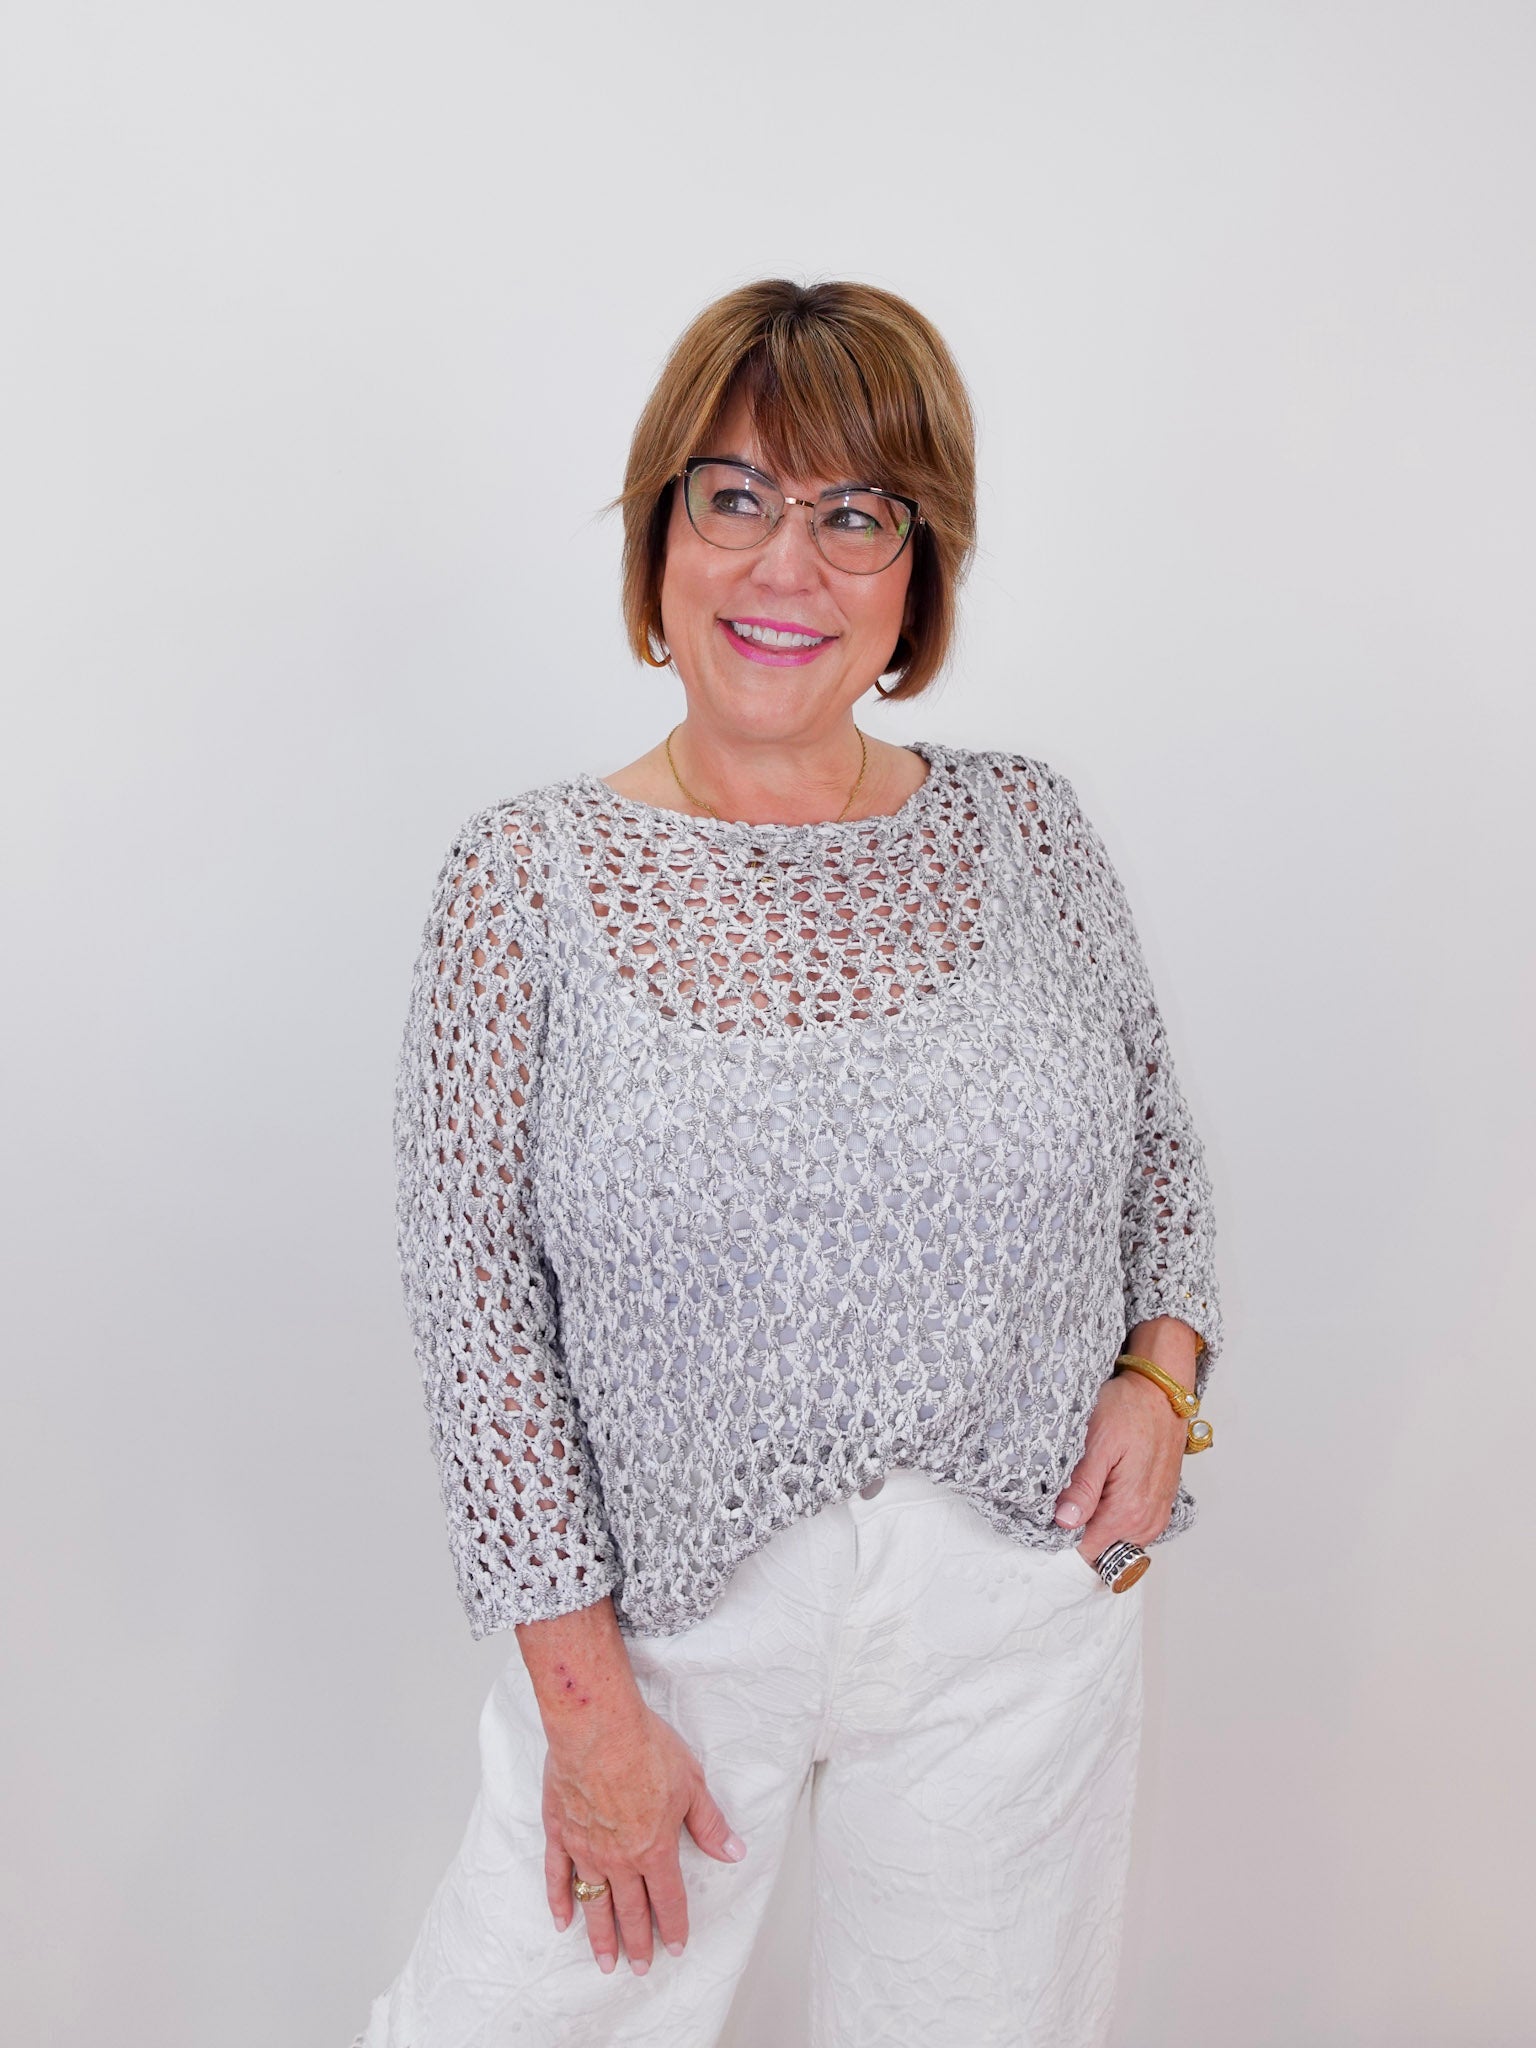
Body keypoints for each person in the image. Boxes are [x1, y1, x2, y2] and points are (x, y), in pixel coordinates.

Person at [353, 278, 1223, 2048]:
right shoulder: (524, 881)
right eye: (736, 497)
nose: (786, 567)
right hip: (668, 1634)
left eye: (856, 514)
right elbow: (479, 1324)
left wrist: (1160, 1373)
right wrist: (586, 1711)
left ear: (917, 571)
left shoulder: (1027, 826)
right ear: (662, 528)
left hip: (1017, 1612)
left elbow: (1158, 1159)